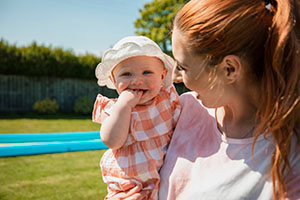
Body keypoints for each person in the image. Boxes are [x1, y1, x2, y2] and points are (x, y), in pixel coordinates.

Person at [112, 0, 300, 199]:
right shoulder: (183, 109)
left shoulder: (290, 160)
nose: (177, 77)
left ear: (230, 69)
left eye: (184, 67)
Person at [92, 36, 181, 200]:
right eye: (126, 74)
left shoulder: (167, 101)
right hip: (128, 188)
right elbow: (111, 141)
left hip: (164, 182)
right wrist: (124, 106)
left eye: (147, 72)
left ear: (163, 76)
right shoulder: (115, 109)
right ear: (113, 80)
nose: (137, 80)